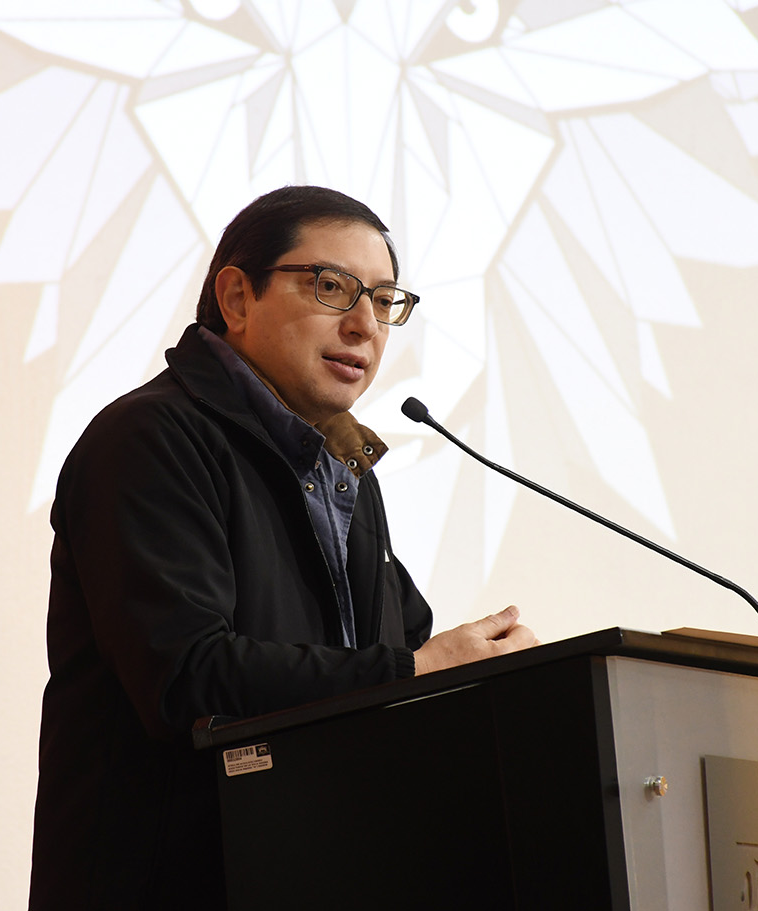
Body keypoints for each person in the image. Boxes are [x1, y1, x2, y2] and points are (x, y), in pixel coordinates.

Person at [27, 186, 537, 909]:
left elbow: (400, 653)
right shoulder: (150, 440)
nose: (365, 325)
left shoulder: (342, 471)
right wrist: (416, 669)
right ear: (237, 298)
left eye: (384, 300)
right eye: (332, 287)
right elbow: (188, 676)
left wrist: (498, 677)